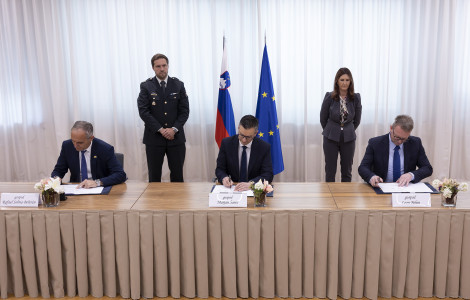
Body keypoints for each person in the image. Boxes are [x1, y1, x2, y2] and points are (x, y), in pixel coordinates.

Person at [137, 53, 190, 182]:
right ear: (153, 68)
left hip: (175, 138)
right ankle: (154, 203)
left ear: (168, 66)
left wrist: (174, 129)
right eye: (158, 66)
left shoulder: (178, 85)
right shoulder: (146, 86)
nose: (162, 69)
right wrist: (161, 129)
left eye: (164, 65)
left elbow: (184, 111)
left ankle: (177, 202)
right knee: (154, 177)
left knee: (177, 176)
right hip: (154, 138)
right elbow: (144, 112)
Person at [358, 115, 433, 187]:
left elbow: (427, 168)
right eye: (397, 137)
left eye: (404, 139)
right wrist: (372, 177)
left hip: (405, 188)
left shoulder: (415, 143)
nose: (399, 142)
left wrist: (411, 175)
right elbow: (363, 167)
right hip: (382, 187)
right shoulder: (375, 143)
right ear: (391, 128)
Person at [51, 121, 127, 188]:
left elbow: (120, 174)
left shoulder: (105, 149)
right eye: (73, 141)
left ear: (91, 138)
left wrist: (97, 182)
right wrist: (56, 179)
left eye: (80, 143)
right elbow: (59, 170)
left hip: (98, 190)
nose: (75, 145)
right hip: (76, 188)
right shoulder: (67, 146)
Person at [320, 67, 362, 182]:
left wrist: (348, 129)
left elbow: (357, 120)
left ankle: (345, 198)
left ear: (351, 82)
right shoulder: (329, 96)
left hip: (349, 137)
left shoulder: (356, 97)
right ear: (337, 81)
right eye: (342, 80)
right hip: (330, 137)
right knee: (330, 171)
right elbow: (323, 118)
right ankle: (329, 198)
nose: (344, 83)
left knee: (347, 172)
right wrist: (331, 130)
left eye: (347, 80)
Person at [215, 115, 273, 191]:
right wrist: (224, 178)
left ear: (255, 133)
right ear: (238, 128)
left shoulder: (264, 147)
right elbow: (220, 169)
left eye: (248, 137)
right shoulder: (226, 144)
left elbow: (268, 174)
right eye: (241, 135)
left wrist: (252, 184)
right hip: (232, 188)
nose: (244, 140)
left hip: (253, 191)